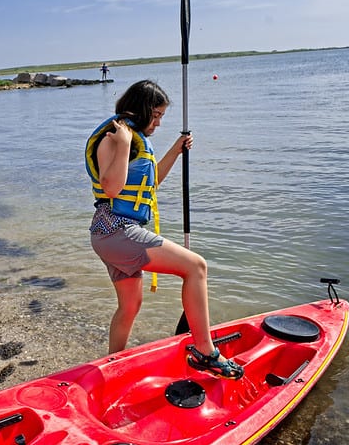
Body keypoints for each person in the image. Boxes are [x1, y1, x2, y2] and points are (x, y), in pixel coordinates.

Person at [85, 79, 243, 380]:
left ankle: (111, 366)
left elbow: (150, 183)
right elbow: (112, 187)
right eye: (155, 115)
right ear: (141, 109)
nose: (158, 123)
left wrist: (175, 150)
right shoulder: (115, 137)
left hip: (112, 233)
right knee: (196, 267)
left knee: (130, 306)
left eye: (161, 116)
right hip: (116, 230)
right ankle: (205, 351)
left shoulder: (132, 139)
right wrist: (123, 145)